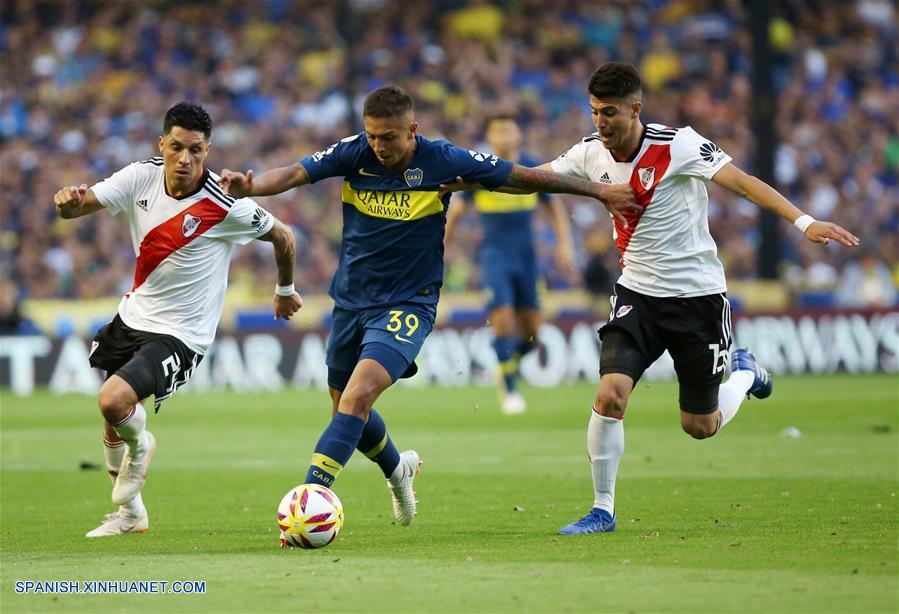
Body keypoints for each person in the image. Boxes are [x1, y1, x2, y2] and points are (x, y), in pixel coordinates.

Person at [443, 63, 859, 534]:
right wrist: (466, 181)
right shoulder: (588, 152)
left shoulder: (677, 145)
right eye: (595, 111)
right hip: (637, 294)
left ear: (636, 109)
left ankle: (743, 372)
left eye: (611, 113)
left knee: (699, 426)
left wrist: (805, 222)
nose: (601, 122)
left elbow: (742, 182)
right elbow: (530, 177)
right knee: (610, 395)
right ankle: (602, 510)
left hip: (697, 298)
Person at [218, 85, 638, 528]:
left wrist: (596, 191)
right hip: (352, 301)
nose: (379, 147)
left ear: (412, 130)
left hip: (409, 303)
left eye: (390, 138)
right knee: (346, 407)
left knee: (359, 396)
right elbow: (294, 173)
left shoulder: (443, 160)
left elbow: (524, 178)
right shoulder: (353, 153)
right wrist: (253, 186)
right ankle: (399, 471)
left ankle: (309, 500)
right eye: (373, 136)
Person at [53, 102, 303, 538]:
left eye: (196, 150)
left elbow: (283, 236)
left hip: (183, 335)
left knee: (113, 401)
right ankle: (131, 514)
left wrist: (284, 291)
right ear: (161, 144)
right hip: (134, 316)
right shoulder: (138, 176)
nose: (185, 160)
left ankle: (142, 444)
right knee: (113, 419)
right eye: (176, 147)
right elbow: (77, 208)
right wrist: (67, 202)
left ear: (207, 151)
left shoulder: (226, 202)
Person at [444, 114, 576, 415]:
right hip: (495, 257)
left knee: (532, 334)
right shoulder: (480, 171)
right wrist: (444, 248)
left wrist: (564, 244)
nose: (503, 136)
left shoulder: (530, 167)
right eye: (497, 131)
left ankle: (506, 363)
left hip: (527, 259)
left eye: (508, 129)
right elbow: (456, 212)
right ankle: (510, 389)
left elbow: (554, 205)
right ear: (489, 137)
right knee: (502, 320)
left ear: (518, 134)